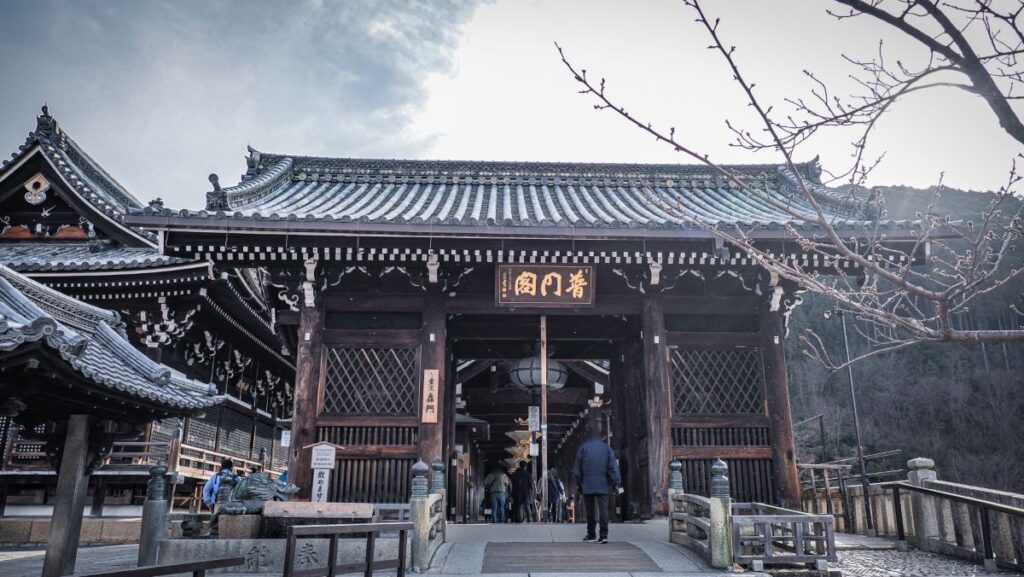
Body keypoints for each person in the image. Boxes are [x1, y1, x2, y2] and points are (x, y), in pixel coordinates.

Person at [573, 418, 621, 544]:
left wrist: (579, 483)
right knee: (603, 510)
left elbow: (577, 469)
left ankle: (591, 534)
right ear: (602, 437)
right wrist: (616, 483)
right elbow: (612, 468)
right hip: (603, 483)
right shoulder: (607, 448)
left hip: (587, 484)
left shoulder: (583, 448)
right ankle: (604, 535)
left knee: (590, 511)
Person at [202, 458, 237, 536]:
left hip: (216, 504)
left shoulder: (215, 476)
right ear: (231, 467)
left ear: (222, 467)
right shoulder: (235, 477)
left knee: (215, 527)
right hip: (231, 506)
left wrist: (208, 502)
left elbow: (206, 489)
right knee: (228, 529)